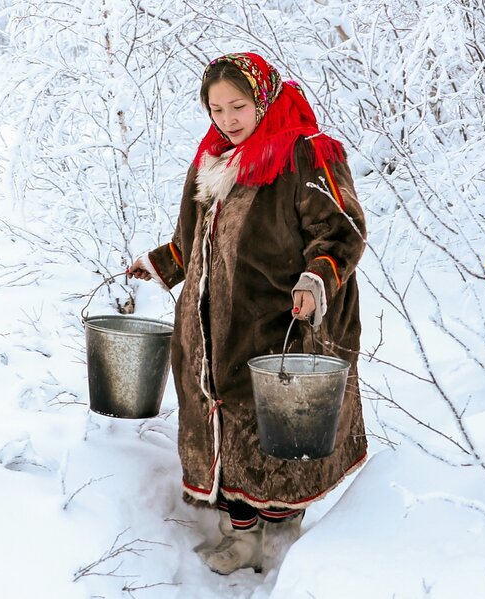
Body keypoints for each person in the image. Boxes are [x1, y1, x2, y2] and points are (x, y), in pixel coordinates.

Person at [127, 52, 367, 574]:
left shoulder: (304, 152)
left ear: (262, 98)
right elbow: (192, 242)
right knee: (224, 431)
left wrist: (316, 277)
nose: (227, 120)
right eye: (216, 110)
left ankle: (282, 539)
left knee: (273, 438)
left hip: (278, 324)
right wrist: (161, 264)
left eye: (238, 106)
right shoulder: (212, 161)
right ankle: (242, 538)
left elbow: (342, 230)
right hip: (212, 329)